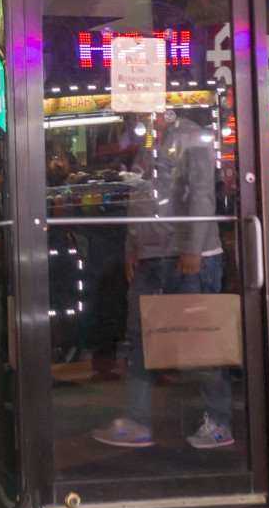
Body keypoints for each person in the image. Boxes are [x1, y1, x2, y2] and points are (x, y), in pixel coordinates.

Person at [94, 108, 233, 451]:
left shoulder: (188, 135)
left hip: (186, 257)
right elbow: (141, 198)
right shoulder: (149, 141)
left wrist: (193, 249)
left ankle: (218, 421)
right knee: (140, 338)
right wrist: (132, 245)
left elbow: (202, 194)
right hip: (153, 255)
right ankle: (136, 420)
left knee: (202, 344)